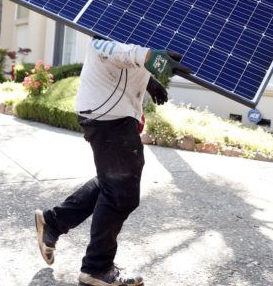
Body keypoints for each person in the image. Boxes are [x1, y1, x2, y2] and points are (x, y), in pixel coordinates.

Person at [35, 36, 190, 286]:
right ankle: (96, 269)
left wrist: (149, 81)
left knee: (112, 182)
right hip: (109, 117)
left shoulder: (134, 34)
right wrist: (149, 58)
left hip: (114, 115)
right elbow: (113, 50)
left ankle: (53, 222)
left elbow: (130, 56)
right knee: (122, 194)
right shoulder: (103, 38)